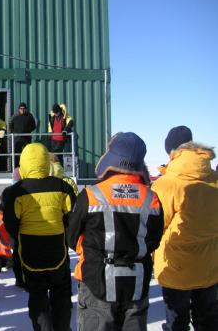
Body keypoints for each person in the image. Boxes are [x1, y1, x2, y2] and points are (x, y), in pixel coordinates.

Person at [67, 132, 164, 331]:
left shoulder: (91, 195)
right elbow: (154, 240)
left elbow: (71, 237)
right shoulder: (152, 198)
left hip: (96, 282)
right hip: (136, 285)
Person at [2, 143, 76, 331]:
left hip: (29, 249)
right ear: (45, 161)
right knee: (61, 293)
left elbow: (11, 223)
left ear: (24, 163)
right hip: (57, 248)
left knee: (37, 294)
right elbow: (71, 216)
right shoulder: (63, 187)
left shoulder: (15, 191)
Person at [152, 134, 218, 330]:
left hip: (176, 268)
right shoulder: (214, 181)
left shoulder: (166, 184)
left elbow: (156, 226)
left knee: (177, 321)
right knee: (208, 319)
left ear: (174, 155)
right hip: (210, 267)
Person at [8, 102, 36, 167]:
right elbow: (10, 124)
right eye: (21, 108)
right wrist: (13, 132)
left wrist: (28, 131)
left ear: (26, 109)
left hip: (26, 138)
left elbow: (33, 125)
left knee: (28, 153)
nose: (22, 110)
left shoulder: (29, 116)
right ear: (19, 109)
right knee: (17, 154)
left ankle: (27, 166)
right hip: (17, 138)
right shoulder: (15, 116)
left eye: (24, 108)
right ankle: (16, 168)